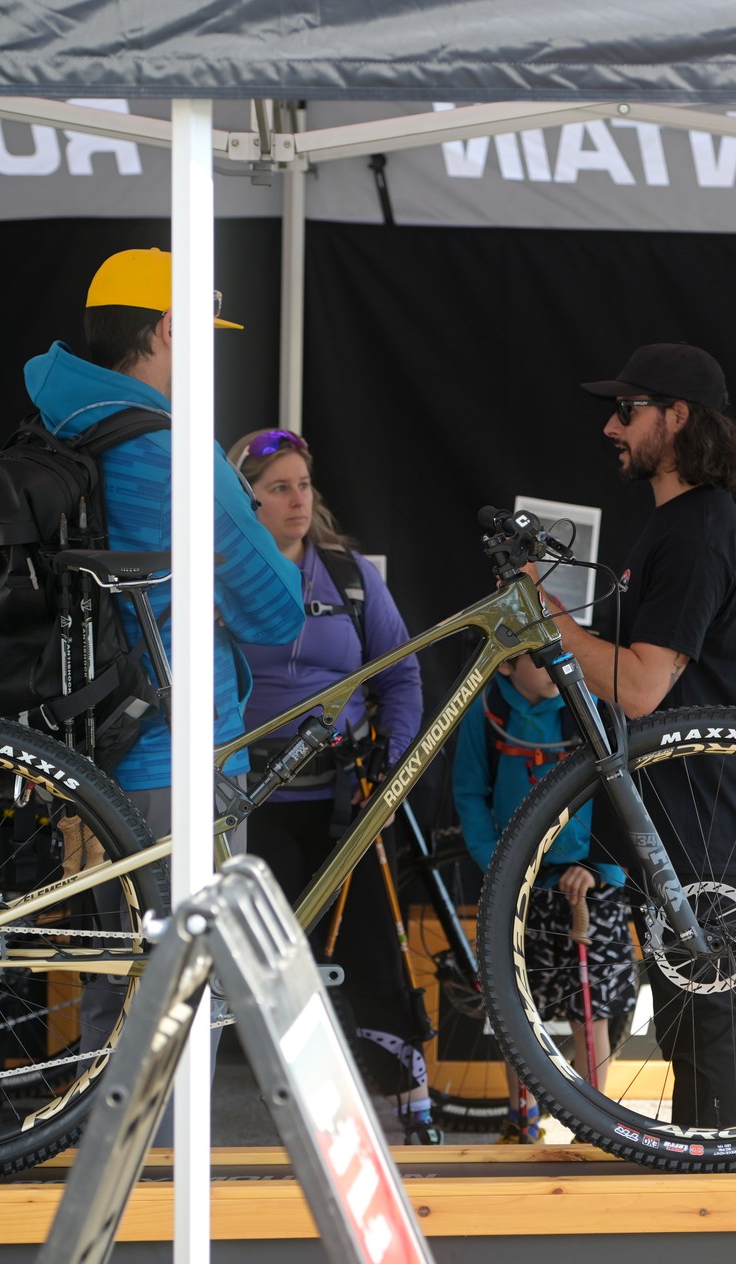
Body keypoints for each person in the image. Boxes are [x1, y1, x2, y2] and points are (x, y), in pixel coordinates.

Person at [25, 248, 304, 1108]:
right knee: (187, 996)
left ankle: (114, 1179)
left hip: (91, 740)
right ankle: (163, 1195)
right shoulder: (169, 447)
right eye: (203, 337)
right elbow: (274, 611)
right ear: (166, 330)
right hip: (176, 755)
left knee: (121, 981)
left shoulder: (64, 422)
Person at [534, 342, 736, 1129]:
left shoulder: (698, 532)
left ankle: (714, 1185)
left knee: (702, 1015)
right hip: (675, 807)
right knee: (711, 1006)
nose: (612, 426)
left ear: (678, 418)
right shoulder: (677, 524)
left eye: (628, 411)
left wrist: (555, 621)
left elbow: (638, 686)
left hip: (697, 810)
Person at [227, 427, 440, 1142]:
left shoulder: (348, 574)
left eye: (303, 485)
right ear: (245, 502)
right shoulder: (220, 573)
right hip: (248, 804)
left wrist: (393, 772)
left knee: (373, 951)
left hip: (343, 797)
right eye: (278, 488)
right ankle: (279, 1112)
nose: (296, 500)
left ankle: (404, 1100)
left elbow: (402, 672)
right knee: (267, 959)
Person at [452, 652, 635, 1143]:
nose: (556, 665)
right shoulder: (487, 710)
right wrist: (501, 864)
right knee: (515, 1009)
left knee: (590, 1010)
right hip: (518, 887)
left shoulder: (590, 703)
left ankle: (592, 1124)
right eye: (539, 658)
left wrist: (601, 866)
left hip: (590, 884)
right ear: (507, 667)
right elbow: (470, 792)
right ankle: (522, 1121)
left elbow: (625, 791)